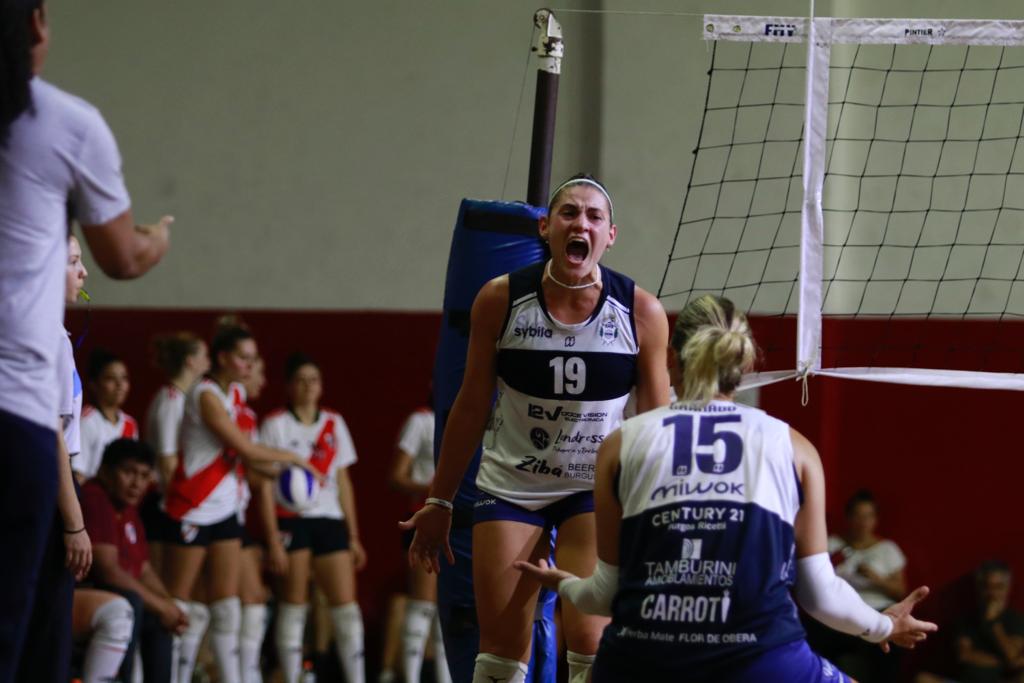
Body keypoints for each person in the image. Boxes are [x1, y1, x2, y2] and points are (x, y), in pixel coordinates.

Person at [515, 294, 938, 682]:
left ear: (670, 359)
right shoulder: (794, 448)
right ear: (747, 363)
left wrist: (563, 583)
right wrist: (883, 625)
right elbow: (819, 595)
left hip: (640, 660)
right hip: (761, 660)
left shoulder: (621, 443)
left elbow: (606, 595)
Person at [402, 174, 671, 683]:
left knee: (591, 640)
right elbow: (470, 404)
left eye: (594, 216)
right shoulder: (499, 299)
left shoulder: (641, 311)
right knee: (501, 650)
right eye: (569, 212)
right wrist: (439, 500)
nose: (581, 223)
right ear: (545, 228)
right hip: (513, 486)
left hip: (592, 489)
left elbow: (656, 425)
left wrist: (656, 513)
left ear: (611, 235)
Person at [0, 1, 169, 677]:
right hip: (16, 422)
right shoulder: (65, 124)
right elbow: (124, 257)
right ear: (38, 23)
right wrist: (157, 238)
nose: (78, 272)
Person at [161, 326, 314, 683]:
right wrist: (293, 458)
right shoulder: (206, 393)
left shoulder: (236, 393)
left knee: (227, 606)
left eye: (252, 358)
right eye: (244, 358)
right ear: (223, 358)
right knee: (180, 603)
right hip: (193, 505)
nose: (249, 365)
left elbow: (246, 459)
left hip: (228, 509)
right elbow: (243, 448)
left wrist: (275, 471)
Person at [14, 232, 95, 683]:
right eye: (73, 261)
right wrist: (75, 524)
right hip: (47, 492)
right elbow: (54, 437)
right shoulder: (49, 339)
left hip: (27, 486)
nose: (83, 273)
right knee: (47, 631)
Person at [261, 353, 367, 683]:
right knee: (293, 605)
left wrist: (353, 536)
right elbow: (263, 485)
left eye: (314, 380)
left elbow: (344, 482)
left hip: (329, 520)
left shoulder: (334, 422)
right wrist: (272, 538)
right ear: (289, 386)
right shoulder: (275, 424)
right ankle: (293, 675)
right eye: (301, 380)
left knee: (346, 609)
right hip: (290, 520)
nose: (309, 386)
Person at [81, 437, 188, 683]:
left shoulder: (128, 510)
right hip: (83, 593)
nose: (137, 483)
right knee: (132, 602)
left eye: (144, 475)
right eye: (128, 472)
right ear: (105, 471)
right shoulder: (95, 497)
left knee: (158, 616)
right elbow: (107, 570)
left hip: (113, 597)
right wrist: (161, 606)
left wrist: (168, 605)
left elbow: (144, 569)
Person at [811, 489, 908, 681]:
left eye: (868, 516)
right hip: (838, 612)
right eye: (857, 516)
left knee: (888, 645)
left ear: (875, 519)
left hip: (879, 610)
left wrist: (877, 579)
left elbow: (901, 592)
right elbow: (813, 579)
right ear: (848, 518)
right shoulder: (832, 544)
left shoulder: (887, 549)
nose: (862, 522)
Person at [390, 404, 451, 683]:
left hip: (462, 522)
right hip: (425, 518)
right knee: (423, 604)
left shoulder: (479, 414)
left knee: (449, 608)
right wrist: (434, 492)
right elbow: (397, 476)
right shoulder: (421, 421)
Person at [916, 561, 1024, 683]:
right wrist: (1001, 661)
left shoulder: (1016, 620)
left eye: (998, 587)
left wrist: (993, 623)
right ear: (979, 587)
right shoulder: (966, 619)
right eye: (987, 586)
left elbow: (1012, 657)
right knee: (923, 679)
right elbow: (965, 656)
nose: (992, 593)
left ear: (1007, 588)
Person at [76, 348, 139, 483]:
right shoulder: (86, 421)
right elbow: (78, 475)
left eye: (124, 378)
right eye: (111, 378)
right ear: (93, 384)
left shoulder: (130, 424)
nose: (120, 385)